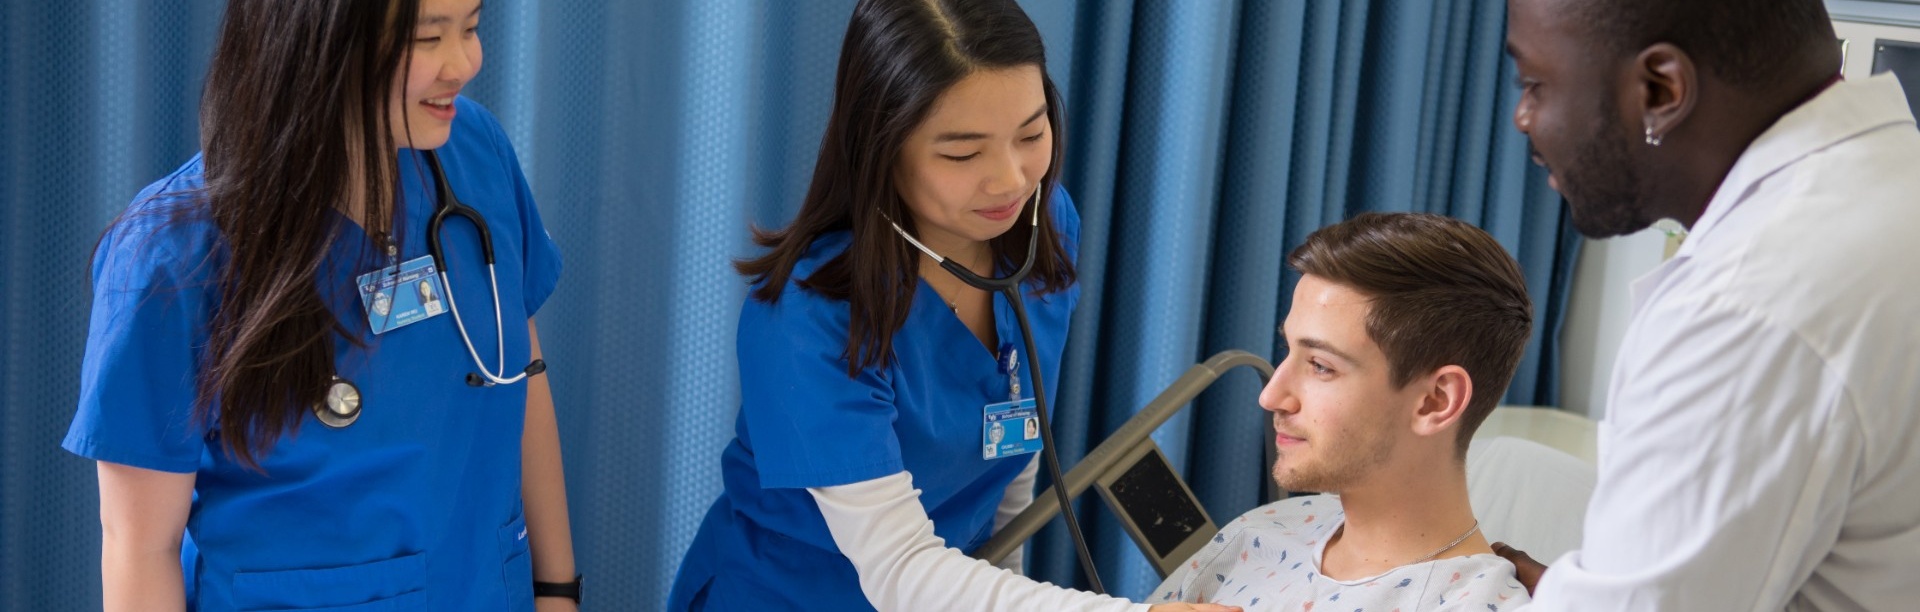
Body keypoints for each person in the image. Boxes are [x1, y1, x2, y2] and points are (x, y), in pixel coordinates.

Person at [667, 1, 1234, 610]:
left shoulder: (1040, 227)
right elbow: (900, 571)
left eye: (1032, 133)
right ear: (881, 147)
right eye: (963, 154)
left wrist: (1010, 577)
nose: (1012, 179)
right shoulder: (810, 317)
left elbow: (1012, 442)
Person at [62, 0, 578, 609]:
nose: (463, 64)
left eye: (471, 27)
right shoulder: (173, 258)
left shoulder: (475, 155)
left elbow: (523, 372)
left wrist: (556, 590)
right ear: (319, 43)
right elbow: (139, 546)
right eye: (427, 37)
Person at [1500, 0, 1920, 607]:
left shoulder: (1749, 305)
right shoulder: (1890, 180)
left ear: (1661, 88)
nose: (1522, 117)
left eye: (1534, 84)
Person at [1151, 213, 1534, 611]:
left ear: (1435, 401)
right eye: (1288, 350)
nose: (1271, 396)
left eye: (1321, 365)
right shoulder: (1261, 534)